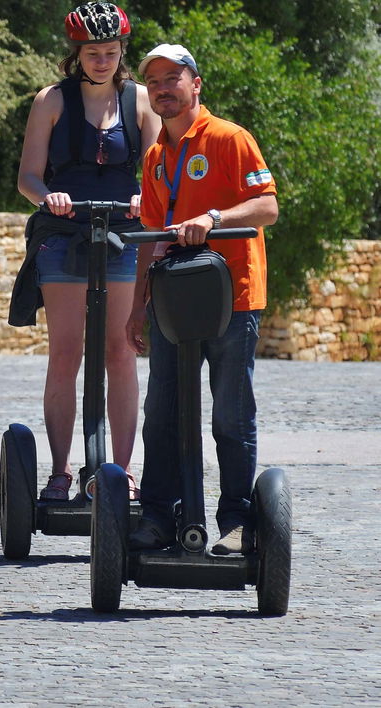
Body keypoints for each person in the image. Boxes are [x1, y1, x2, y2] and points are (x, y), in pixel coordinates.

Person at [125, 44, 279, 554]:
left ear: (196, 85)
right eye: (155, 81)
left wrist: (212, 218)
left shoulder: (230, 139)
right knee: (162, 412)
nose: (163, 87)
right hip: (172, 304)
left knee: (230, 417)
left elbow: (267, 207)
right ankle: (158, 517)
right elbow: (150, 235)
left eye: (174, 77)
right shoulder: (154, 157)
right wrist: (136, 307)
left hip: (231, 299)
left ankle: (236, 523)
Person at [11, 2, 159, 501]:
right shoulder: (51, 100)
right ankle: (59, 471)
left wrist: (146, 197)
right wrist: (46, 195)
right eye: (93, 53)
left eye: (111, 52)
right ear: (77, 54)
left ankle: (121, 473)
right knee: (66, 353)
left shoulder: (140, 103)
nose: (102, 61)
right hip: (65, 232)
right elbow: (28, 176)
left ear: (122, 53)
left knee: (121, 351)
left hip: (122, 235)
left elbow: (157, 174)